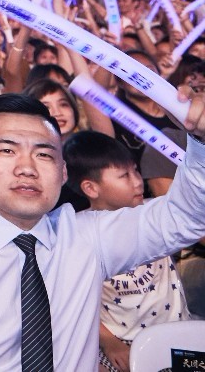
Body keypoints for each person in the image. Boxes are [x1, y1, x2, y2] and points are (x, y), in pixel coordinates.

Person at [0, 92, 205, 371]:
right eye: (7, 151)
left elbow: (183, 217)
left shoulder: (86, 236)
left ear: (63, 170)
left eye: (43, 154)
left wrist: (201, 142)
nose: (27, 168)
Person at [63, 130, 191, 372]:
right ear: (91, 188)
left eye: (135, 170)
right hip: (119, 342)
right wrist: (109, 342)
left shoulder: (154, 215)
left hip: (175, 332)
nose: (137, 181)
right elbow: (76, 303)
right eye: (124, 175)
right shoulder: (77, 233)